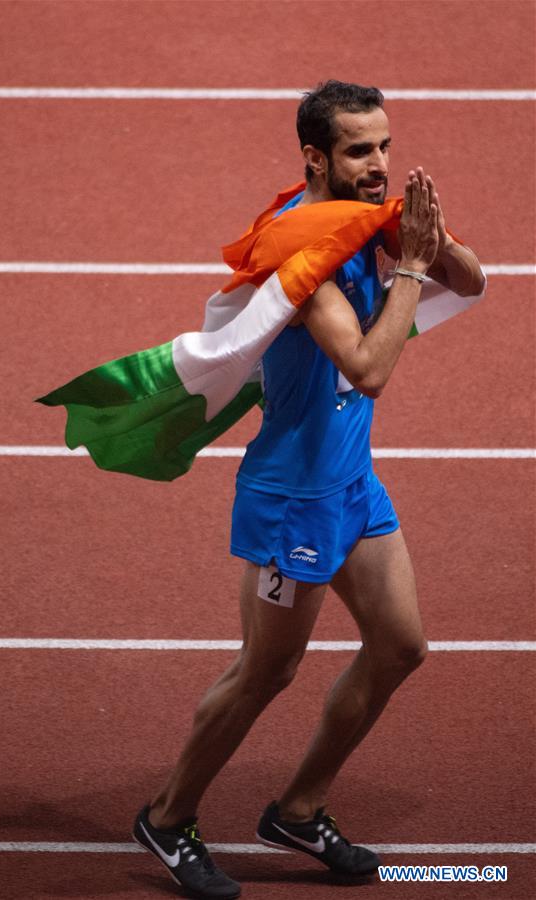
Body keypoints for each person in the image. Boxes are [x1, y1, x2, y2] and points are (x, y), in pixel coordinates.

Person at [132, 80, 485, 899]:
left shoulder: (370, 218)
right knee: (267, 671)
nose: (380, 164)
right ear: (314, 157)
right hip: (292, 497)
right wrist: (408, 271)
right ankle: (168, 814)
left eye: (386, 146)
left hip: (352, 487)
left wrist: (424, 238)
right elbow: (366, 369)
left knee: (401, 647)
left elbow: (465, 281)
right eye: (361, 151)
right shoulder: (299, 251)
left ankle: (299, 807)